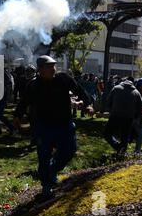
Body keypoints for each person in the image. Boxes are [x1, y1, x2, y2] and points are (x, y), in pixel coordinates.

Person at [13, 55, 93, 200]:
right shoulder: (33, 85)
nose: (53, 69)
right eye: (49, 66)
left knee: (70, 150)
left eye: (54, 66)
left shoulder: (63, 78)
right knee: (43, 156)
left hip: (65, 124)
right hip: (44, 127)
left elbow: (79, 91)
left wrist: (87, 104)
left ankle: (53, 169)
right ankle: (46, 186)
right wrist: (17, 116)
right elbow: (24, 102)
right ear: (40, 69)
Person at [104, 77, 142, 155]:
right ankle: (122, 153)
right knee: (124, 137)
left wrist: (110, 110)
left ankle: (117, 146)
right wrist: (140, 117)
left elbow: (108, 102)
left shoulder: (116, 88)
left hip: (115, 115)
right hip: (128, 117)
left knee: (107, 133)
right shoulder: (136, 92)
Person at [0, 66, 17, 136]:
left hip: (1, 96)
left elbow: (8, 84)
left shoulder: (2, 73)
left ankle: (13, 129)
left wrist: (8, 96)